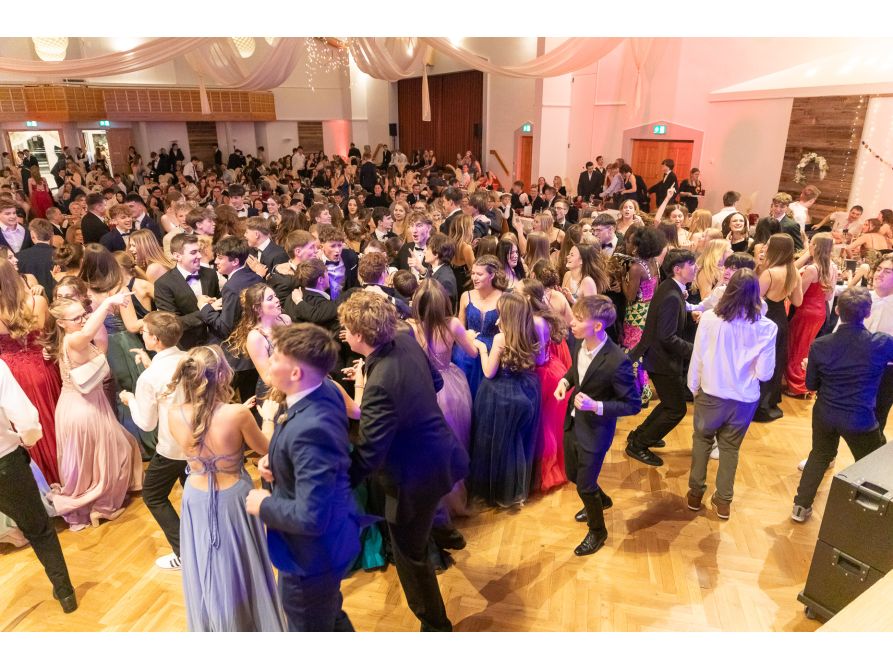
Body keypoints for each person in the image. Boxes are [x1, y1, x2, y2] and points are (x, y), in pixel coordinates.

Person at [338, 291, 468, 632]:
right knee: (432, 507)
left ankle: (436, 625)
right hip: (440, 453)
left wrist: (337, 485)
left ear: (359, 335)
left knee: (410, 555)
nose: (343, 334)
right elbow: (435, 382)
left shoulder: (379, 384)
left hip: (412, 477)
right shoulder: (405, 338)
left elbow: (369, 453)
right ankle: (449, 535)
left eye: (346, 329)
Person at [246, 324, 362, 631]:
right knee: (330, 616)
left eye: (275, 358)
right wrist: (277, 460)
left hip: (309, 558)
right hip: (325, 547)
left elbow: (312, 516)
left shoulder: (312, 428)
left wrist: (264, 503)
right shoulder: (322, 390)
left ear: (296, 373)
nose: (269, 363)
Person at [167, 345, 283, 631]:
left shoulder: (173, 413)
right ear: (221, 375)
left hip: (194, 497)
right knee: (242, 565)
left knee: (206, 563)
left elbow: (199, 434)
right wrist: (268, 418)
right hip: (233, 498)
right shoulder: (237, 414)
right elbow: (267, 448)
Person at [792, 288, 893, 522]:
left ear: (837, 310)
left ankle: (800, 506)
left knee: (819, 455)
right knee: (870, 463)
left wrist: (813, 367)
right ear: (867, 313)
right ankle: (867, 515)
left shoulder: (820, 345)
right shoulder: (881, 343)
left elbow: (811, 384)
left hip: (825, 413)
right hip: (860, 418)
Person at [44, 295, 143, 531]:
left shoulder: (72, 338)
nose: (82, 320)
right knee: (107, 455)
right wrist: (107, 304)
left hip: (83, 404)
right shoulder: (74, 339)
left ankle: (100, 504)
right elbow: (89, 332)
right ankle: (102, 506)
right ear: (61, 323)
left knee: (99, 456)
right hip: (83, 409)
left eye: (83, 315)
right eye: (76, 318)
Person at [686, 270, 777, 520]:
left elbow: (698, 357)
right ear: (757, 294)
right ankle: (723, 501)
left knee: (702, 441)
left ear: (729, 289)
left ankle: (695, 493)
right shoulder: (767, 327)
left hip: (710, 393)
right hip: (744, 400)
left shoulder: (709, 319)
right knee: (730, 448)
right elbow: (765, 373)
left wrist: (693, 387)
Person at [555, 295, 640, 555]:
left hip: (595, 432)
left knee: (585, 485)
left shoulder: (617, 361)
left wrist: (597, 406)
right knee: (572, 474)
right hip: (573, 423)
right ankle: (601, 500)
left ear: (598, 326)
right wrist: (565, 382)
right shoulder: (579, 344)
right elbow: (578, 372)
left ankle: (598, 531)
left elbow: (632, 404)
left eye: (579, 319)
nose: (571, 322)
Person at [0, 360, 77, 612]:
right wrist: (29, 438)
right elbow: (24, 417)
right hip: (5, 460)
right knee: (39, 529)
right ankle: (65, 593)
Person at [119, 311, 188, 570]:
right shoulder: (190, 358)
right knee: (194, 493)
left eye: (145, 332)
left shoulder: (149, 378)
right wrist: (150, 364)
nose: (142, 335)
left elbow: (146, 423)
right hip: (200, 442)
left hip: (172, 447)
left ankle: (183, 552)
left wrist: (130, 400)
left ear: (156, 339)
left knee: (153, 495)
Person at [408, 280, 478, 516]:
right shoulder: (453, 324)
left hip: (423, 389)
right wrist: (470, 336)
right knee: (456, 443)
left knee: (431, 449)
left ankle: (437, 504)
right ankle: (456, 500)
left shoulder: (411, 327)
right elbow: (472, 352)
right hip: (452, 388)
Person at [469, 292, 542, 508]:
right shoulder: (531, 332)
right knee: (515, 442)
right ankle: (515, 488)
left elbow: (489, 372)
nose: (497, 320)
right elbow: (537, 360)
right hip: (525, 390)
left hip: (499, 395)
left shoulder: (500, 339)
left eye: (501, 314)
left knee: (495, 444)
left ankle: (498, 489)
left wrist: (482, 349)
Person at [627, 249, 697, 466]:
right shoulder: (672, 295)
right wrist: (695, 351)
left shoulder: (670, 287)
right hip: (663, 360)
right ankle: (639, 444)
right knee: (676, 409)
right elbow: (667, 337)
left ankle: (640, 435)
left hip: (658, 358)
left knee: (669, 403)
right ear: (678, 269)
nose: (696, 268)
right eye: (692, 265)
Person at [0, 258, 61, 484]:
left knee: (22, 424)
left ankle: (42, 482)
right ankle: (64, 474)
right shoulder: (37, 302)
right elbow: (48, 333)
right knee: (51, 421)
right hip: (40, 368)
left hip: (10, 373)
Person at [516, 279, 573, 492]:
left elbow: (539, 358)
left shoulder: (537, 321)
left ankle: (547, 471)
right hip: (547, 371)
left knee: (545, 424)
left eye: (517, 291)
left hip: (545, 376)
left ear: (527, 297)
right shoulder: (532, 316)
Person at [753, 234, 804, 422]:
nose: (765, 246)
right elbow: (798, 301)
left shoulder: (770, 273)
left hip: (766, 318)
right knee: (775, 361)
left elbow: (754, 301)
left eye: (768, 244)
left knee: (761, 360)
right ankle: (770, 401)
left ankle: (758, 403)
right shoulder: (794, 272)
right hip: (781, 319)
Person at [785, 233, 837, 398]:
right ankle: (805, 384)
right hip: (820, 311)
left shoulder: (812, 269)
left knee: (796, 347)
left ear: (815, 247)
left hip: (805, 312)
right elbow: (829, 296)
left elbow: (799, 295)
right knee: (806, 347)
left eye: (811, 244)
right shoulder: (833, 267)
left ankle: (798, 386)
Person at [153, 233, 221, 349]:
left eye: (199, 251)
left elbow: (218, 305)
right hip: (187, 346)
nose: (199, 255)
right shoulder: (163, 284)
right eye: (193, 252)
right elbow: (171, 324)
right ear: (177, 256)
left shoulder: (210, 274)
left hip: (216, 341)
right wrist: (207, 310)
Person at [453, 255, 506, 400]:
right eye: (473, 273)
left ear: (492, 275)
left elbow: (508, 332)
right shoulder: (466, 296)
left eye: (479, 274)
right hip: (467, 352)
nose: (474, 278)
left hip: (491, 354)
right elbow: (459, 328)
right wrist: (466, 336)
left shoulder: (503, 299)